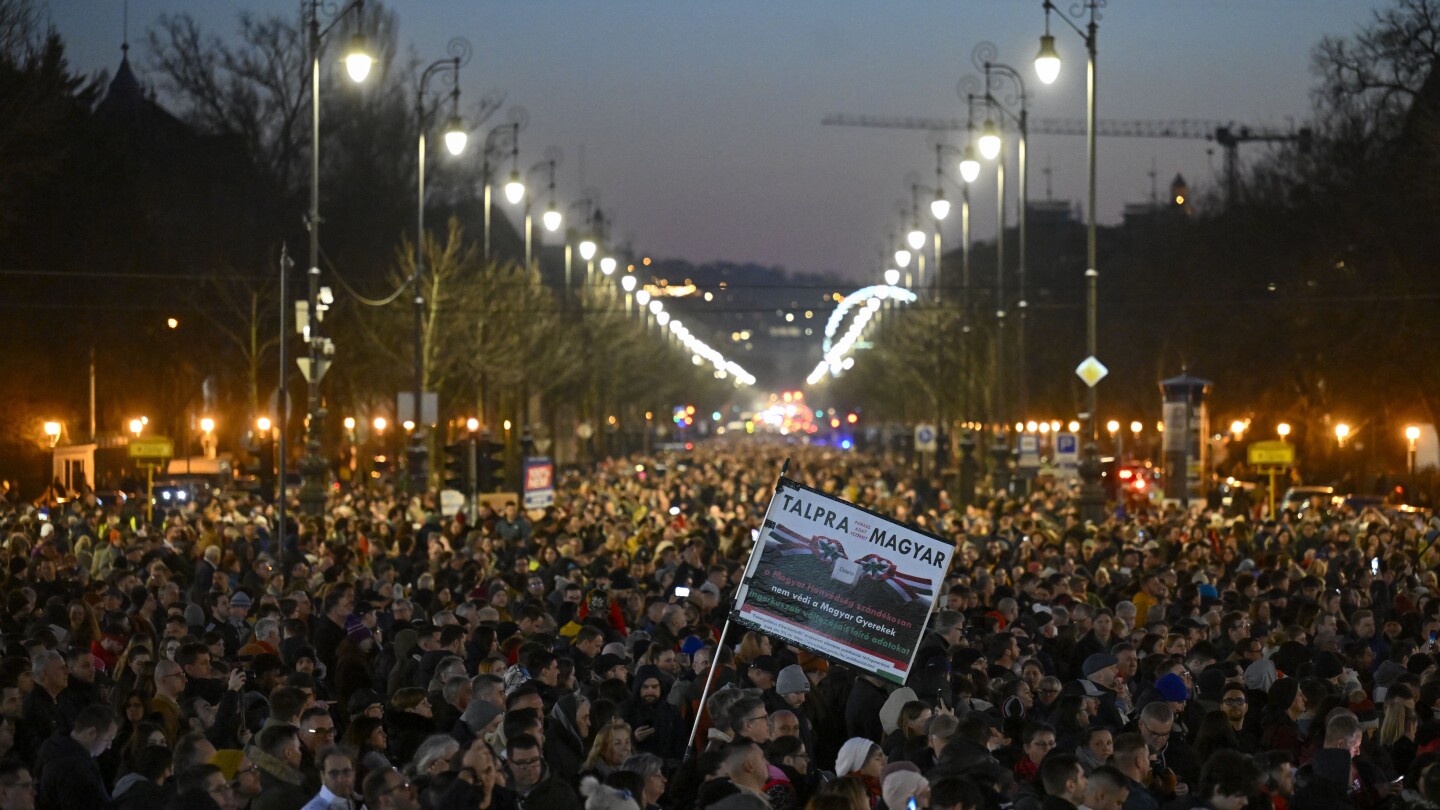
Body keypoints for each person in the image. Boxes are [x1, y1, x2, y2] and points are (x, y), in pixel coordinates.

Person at [33, 703, 117, 810]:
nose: (109, 746)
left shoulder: (54, 749)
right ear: (92, 732)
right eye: (108, 739)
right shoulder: (74, 768)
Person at [506, 733, 577, 809]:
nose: (529, 768)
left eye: (534, 760)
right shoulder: (498, 791)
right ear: (510, 763)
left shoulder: (562, 794)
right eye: (522, 763)